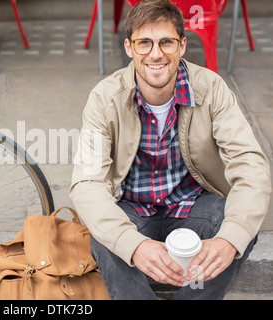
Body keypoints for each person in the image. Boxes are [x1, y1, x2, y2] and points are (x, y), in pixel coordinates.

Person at [70, 0, 271, 299]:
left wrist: (229, 240)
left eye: (166, 42)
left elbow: (250, 164)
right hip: (133, 209)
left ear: (182, 45)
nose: (156, 53)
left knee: (240, 227)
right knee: (107, 239)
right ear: (129, 47)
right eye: (144, 43)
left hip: (193, 206)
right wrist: (133, 244)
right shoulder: (104, 98)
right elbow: (86, 184)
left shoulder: (212, 88)